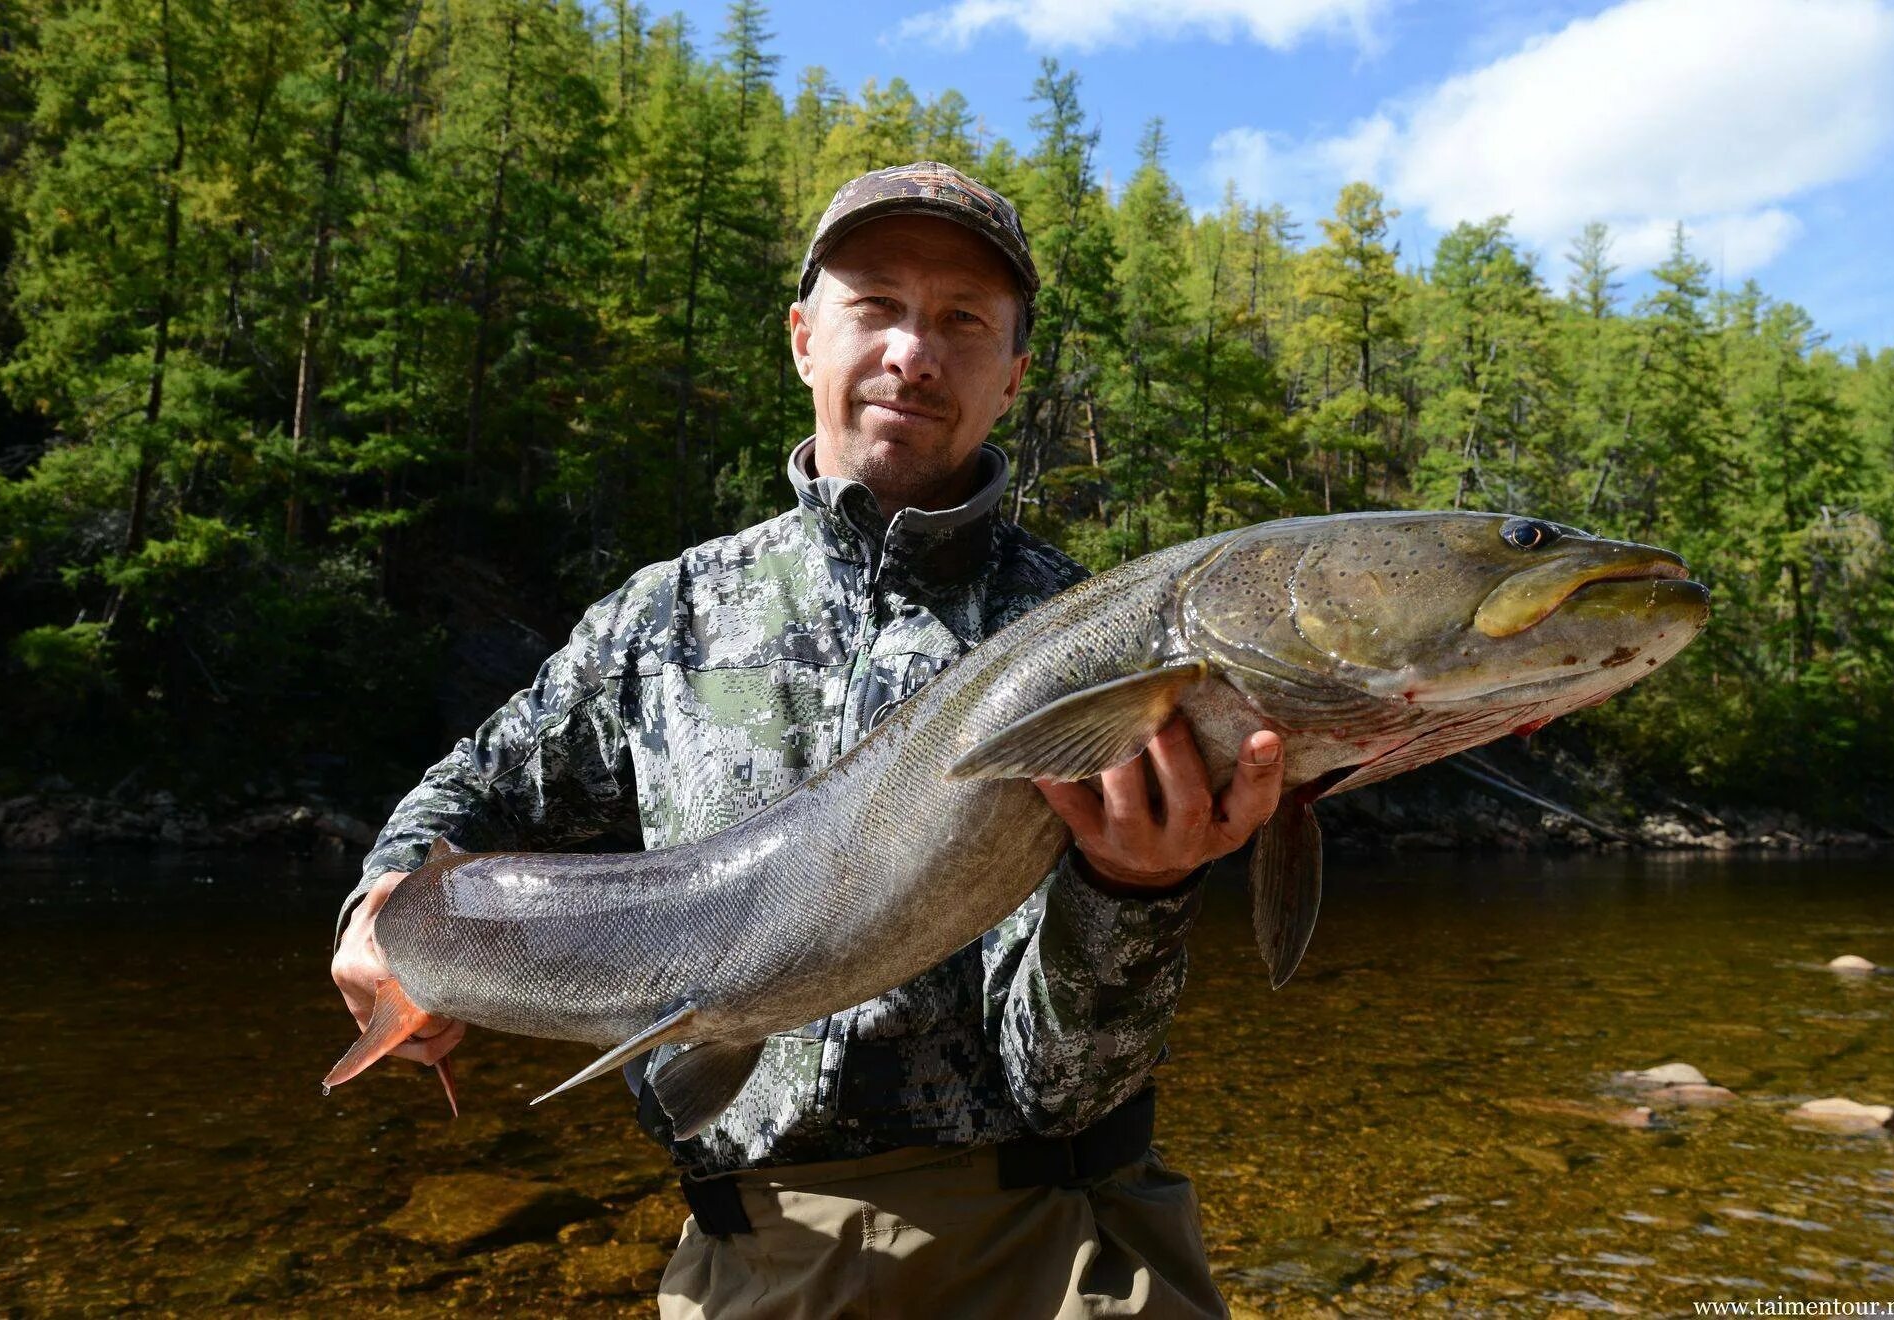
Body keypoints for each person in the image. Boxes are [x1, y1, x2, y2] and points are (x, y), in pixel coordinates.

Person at [331, 161, 1286, 1318]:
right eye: (875, 306)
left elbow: (1073, 1079)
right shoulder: (660, 618)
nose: (914, 353)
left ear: (1014, 376)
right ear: (802, 338)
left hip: (1062, 1252)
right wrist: (382, 910)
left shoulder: (1097, 645)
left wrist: (1136, 890)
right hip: (752, 1265)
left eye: (964, 321)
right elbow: (459, 801)